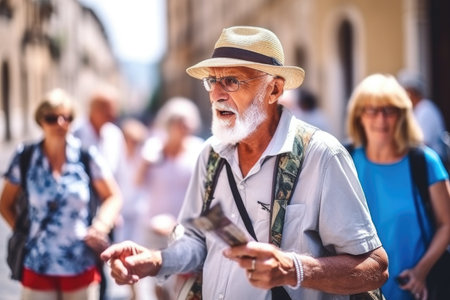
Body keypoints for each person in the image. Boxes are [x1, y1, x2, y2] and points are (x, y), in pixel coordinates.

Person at [101, 26, 388, 299]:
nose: (217, 94)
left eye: (232, 81)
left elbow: (375, 267)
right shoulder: (211, 155)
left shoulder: (322, 156)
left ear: (274, 90)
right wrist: (155, 259)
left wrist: (293, 269)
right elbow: (197, 240)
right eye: (212, 81)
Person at [0, 88, 122, 299]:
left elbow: (113, 196)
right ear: (40, 121)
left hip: (80, 262)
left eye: (67, 117)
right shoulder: (26, 157)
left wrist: (101, 224)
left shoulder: (86, 157)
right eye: (52, 118)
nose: (60, 123)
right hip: (38, 263)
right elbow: (5, 203)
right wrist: (24, 232)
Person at [346, 74, 450, 300]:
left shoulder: (424, 162)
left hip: (412, 289)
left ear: (402, 115)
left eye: (389, 110)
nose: (381, 119)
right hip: (358, 292)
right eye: (371, 110)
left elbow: (446, 224)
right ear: (359, 115)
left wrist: (421, 271)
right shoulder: (344, 159)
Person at [135, 97, 204, 300]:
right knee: (157, 282)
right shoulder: (154, 149)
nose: (185, 128)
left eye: (188, 123)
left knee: (183, 283)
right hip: (154, 226)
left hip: (185, 228)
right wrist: (144, 162)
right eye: (180, 123)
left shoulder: (198, 150)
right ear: (169, 124)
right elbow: (138, 182)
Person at [397, 70, 447, 160]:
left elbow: (422, 143)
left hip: (431, 162)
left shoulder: (426, 110)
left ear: (411, 92)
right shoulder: (419, 109)